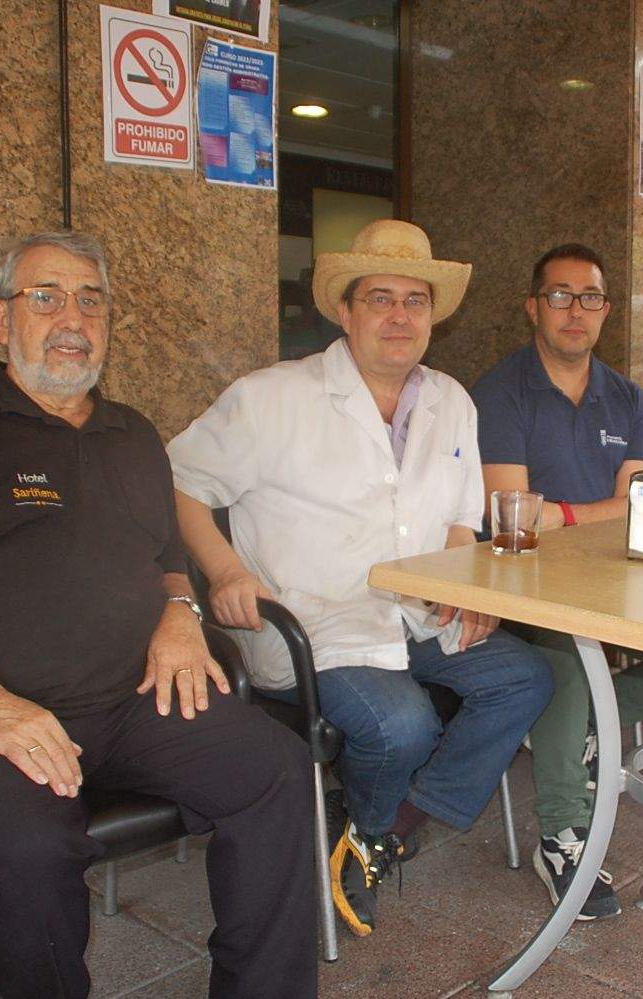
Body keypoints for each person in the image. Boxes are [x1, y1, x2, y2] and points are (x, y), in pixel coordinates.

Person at [0, 232, 316, 999]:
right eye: (46, 297)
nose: (72, 317)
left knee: (278, 771)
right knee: (25, 852)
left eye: (90, 301)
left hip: (134, 701)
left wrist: (180, 613)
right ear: (2, 321)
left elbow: (168, 560)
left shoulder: (133, 436)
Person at [167, 219, 553, 938]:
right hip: (311, 624)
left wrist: (466, 590)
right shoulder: (271, 398)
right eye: (380, 298)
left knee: (526, 679)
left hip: (415, 613)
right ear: (344, 312)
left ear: (432, 316)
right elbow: (179, 482)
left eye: (415, 300)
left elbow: (462, 523)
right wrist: (223, 569)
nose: (399, 316)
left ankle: (387, 824)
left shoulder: (452, 402)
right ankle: (373, 827)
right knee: (401, 723)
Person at [472, 243, 643, 921]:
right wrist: (578, 515)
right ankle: (562, 835)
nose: (574, 311)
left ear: (607, 310)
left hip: (617, 575)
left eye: (590, 298)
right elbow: (513, 517)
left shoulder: (628, 395)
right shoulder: (499, 394)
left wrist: (571, 514)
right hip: (527, 588)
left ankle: (582, 725)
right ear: (534, 307)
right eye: (559, 296)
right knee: (565, 653)